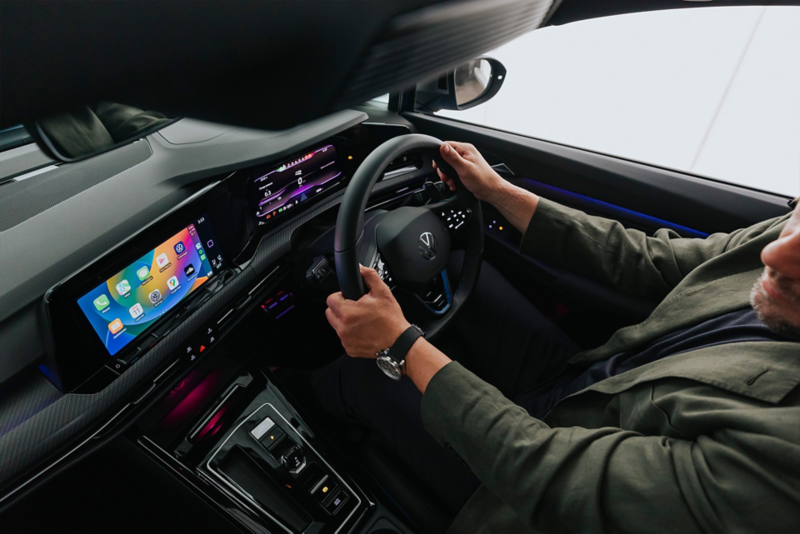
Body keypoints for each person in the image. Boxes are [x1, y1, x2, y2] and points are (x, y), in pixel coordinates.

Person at [312, 141, 800, 532]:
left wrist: (400, 345)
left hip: (525, 491)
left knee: (359, 374)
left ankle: (279, 383)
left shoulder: (785, 465)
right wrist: (499, 192)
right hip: (591, 385)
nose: (774, 257)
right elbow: (654, 260)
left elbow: (555, 474)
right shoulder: (784, 239)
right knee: (466, 274)